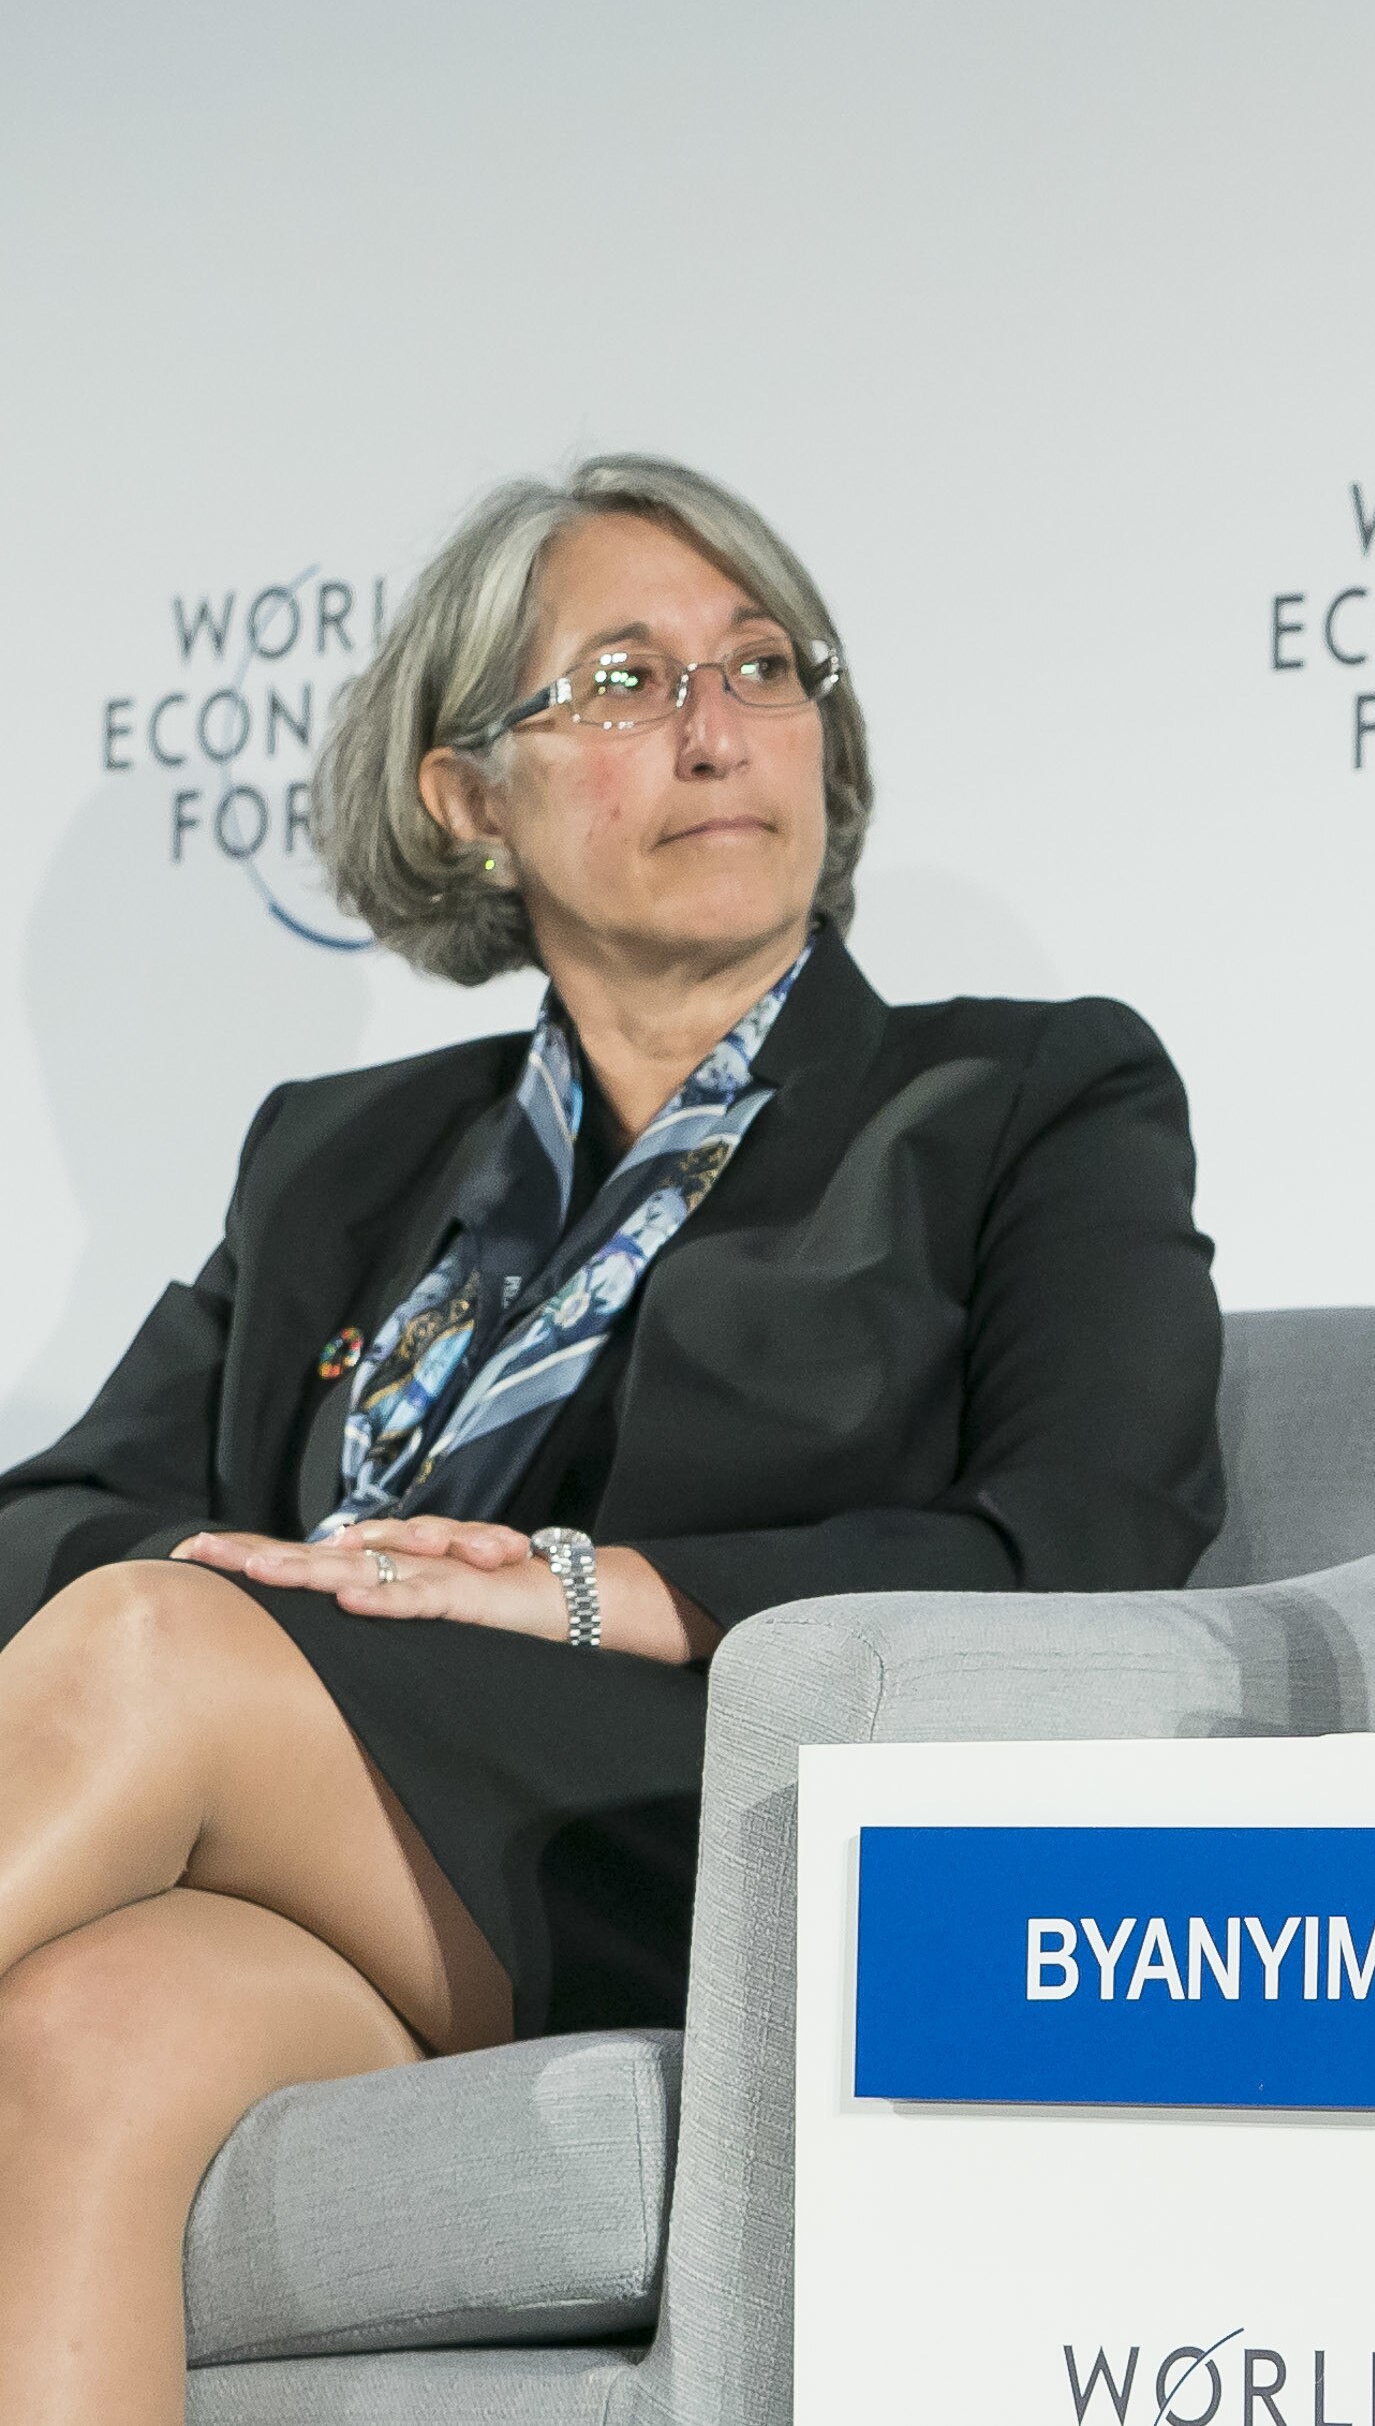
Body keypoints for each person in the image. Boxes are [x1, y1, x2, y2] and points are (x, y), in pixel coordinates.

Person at [0, 455, 1224, 2419]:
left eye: (761, 666)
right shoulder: (344, 1148)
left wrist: (620, 1587)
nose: (714, 726)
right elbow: (53, 1511)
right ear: (467, 794)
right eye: (628, 679)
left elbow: (1095, 1526)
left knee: (157, 1645)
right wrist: (268, 1590)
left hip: (721, 1826)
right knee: (88, 2024)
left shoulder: (1019, 1090)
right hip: (372, 1862)